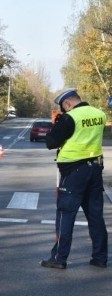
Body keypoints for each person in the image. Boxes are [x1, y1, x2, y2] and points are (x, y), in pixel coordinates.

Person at [41, 88, 108, 269]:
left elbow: (51, 142)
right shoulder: (99, 114)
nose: (64, 111)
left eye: (64, 107)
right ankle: (100, 258)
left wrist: (56, 124)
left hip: (73, 172)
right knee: (95, 216)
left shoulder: (70, 117)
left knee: (65, 214)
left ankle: (59, 258)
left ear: (68, 103)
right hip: (94, 169)